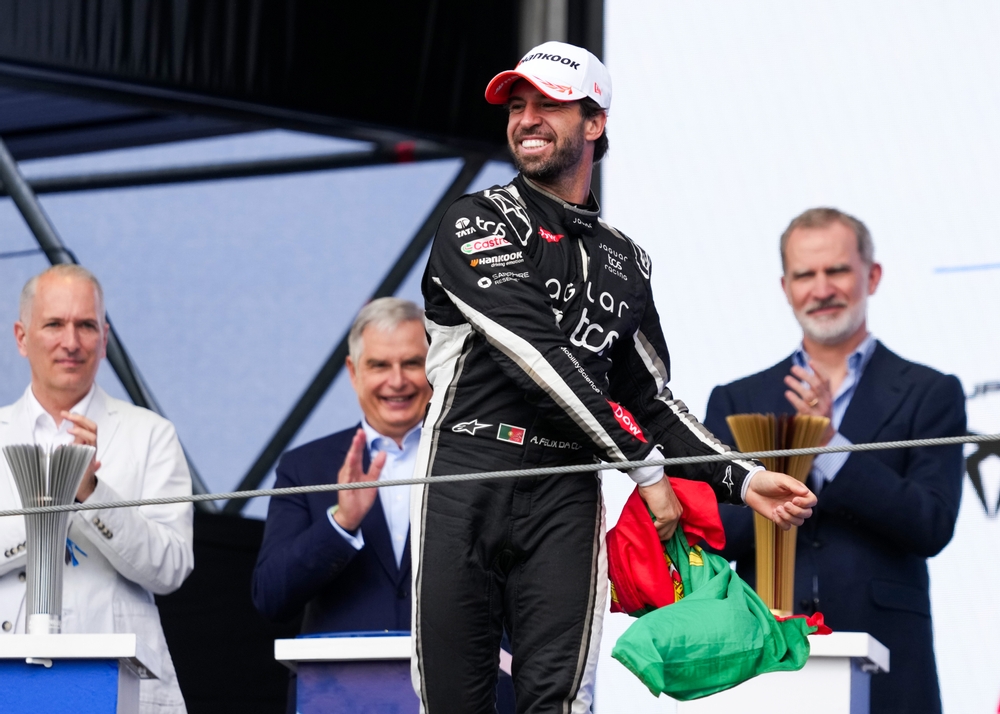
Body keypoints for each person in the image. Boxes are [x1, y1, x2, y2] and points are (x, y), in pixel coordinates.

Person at [412, 41, 817, 713]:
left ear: (595, 123)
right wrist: (646, 472)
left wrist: (740, 477)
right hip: (467, 472)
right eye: (518, 105)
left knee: (560, 701)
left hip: (568, 491)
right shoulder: (475, 220)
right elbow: (538, 356)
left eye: (549, 104)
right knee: (455, 703)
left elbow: (650, 399)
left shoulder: (626, 261)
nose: (527, 119)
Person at [704, 207, 966, 714]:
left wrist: (831, 447)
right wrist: (783, 479)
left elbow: (930, 523)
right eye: (805, 275)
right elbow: (714, 531)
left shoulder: (931, 392)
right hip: (765, 660)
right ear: (785, 287)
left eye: (837, 271)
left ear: (872, 275)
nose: (821, 289)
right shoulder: (737, 400)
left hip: (889, 663)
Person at [0, 264, 194, 713]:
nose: (72, 342)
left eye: (86, 325)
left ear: (104, 339)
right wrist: (52, 517)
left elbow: (171, 568)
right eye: (54, 324)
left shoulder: (152, 433)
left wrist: (92, 493)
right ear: (22, 337)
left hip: (115, 682)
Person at [252, 298, 432, 708]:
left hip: (457, 691)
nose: (397, 381)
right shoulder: (305, 466)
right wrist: (340, 524)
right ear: (353, 373)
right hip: (341, 695)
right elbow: (270, 596)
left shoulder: (475, 458)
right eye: (379, 365)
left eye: (411, 363)